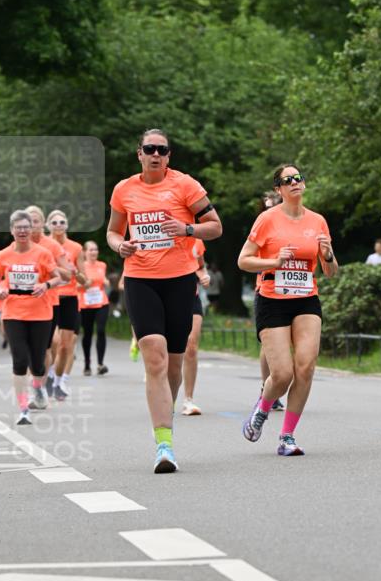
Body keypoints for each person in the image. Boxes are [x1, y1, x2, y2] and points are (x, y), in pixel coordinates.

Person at [106, 127, 223, 473]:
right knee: (154, 358)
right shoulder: (124, 189)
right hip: (141, 279)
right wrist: (119, 245)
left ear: (168, 155)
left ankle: (165, 412)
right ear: (139, 153)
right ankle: (164, 446)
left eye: (162, 149)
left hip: (179, 281)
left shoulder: (186, 185)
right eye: (149, 149)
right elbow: (112, 231)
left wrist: (187, 229)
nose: (155, 154)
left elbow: (215, 226)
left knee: (173, 364)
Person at [238, 163, 338, 456]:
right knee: (282, 374)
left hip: (306, 298)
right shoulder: (267, 219)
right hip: (272, 298)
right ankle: (262, 409)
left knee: (306, 366)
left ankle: (287, 437)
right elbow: (243, 260)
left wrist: (328, 255)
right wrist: (274, 262)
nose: (295, 182)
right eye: (288, 180)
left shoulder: (318, 221)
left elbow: (331, 271)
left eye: (298, 178)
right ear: (278, 189)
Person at [0, 211, 63, 424]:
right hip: (13, 312)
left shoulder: (43, 253)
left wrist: (45, 285)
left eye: (25, 227)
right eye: (18, 227)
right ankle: (23, 409)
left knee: (38, 363)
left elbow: (58, 277)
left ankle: (38, 387)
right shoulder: (3, 255)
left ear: (31, 229)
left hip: (41, 313)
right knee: (20, 359)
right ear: (12, 230)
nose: (22, 231)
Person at [26, 205, 70, 402]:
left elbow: (68, 274)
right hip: (24, 304)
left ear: (43, 223)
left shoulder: (52, 246)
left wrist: (49, 271)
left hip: (48, 303)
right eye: (28, 221)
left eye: (35, 221)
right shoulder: (19, 245)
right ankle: (36, 386)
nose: (31, 225)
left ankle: (40, 386)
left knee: (47, 346)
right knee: (30, 347)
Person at [46, 210, 86, 401]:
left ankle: (58, 381)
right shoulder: (43, 245)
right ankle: (49, 374)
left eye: (62, 222)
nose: (58, 225)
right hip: (49, 298)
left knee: (65, 346)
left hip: (69, 299)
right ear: (48, 225)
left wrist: (76, 273)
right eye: (54, 222)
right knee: (53, 342)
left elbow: (85, 280)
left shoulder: (76, 248)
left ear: (67, 225)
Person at [257, 191, 284, 411]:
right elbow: (248, 258)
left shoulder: (291, 225)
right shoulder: (261, 226)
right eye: (266, 206)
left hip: (293, 291)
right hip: (266, 288)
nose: (269, 210)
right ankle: (267, 388)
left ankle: (274, 386)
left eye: (272, 205)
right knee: (268, 345)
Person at [181, 238, 211, 415]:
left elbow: (200, 266)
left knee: (191, 347)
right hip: (167, 299)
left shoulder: (196, 241)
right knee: (168, 349)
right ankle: (166, 396)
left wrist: (204, 276)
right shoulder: (163, 235)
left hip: (192, 297)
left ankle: (188, 400)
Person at [78, 240, 111, 376]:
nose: (94, 252)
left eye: (96, 249)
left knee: (101, 330)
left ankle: (100, 364)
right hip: (86, 304)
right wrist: (84, 285)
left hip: (101, 302)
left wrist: (106, 281)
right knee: (88, 333)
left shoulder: (102, 265)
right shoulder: (81, 267)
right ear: (84, 252)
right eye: (91, 250)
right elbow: (74, 286)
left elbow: (103, 280)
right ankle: (87, 365)